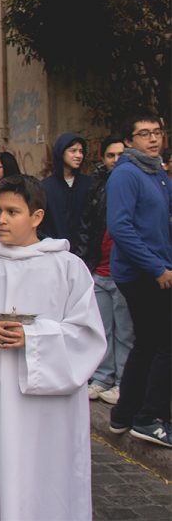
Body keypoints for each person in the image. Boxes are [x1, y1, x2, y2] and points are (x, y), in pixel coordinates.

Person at [0, 174, 105, 520]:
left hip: (51, 411)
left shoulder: (67, 268)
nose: (1, 219)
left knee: (50, 478)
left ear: (37, 217)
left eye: (13, 211)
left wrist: (35, 337)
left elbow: (87, 335)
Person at [106, 114, 172, 447]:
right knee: (164, 343)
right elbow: (121, 228)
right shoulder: (127, 173)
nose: (153, 138)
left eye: (157, 132)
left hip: (157, 268)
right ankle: (150, 417)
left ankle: (125, 415)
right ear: (130, 141)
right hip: (141, 274)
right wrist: (157, 268)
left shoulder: (158, 172)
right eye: (144, 134)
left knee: (147, 342)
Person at [73, 135, 132, 405]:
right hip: (100, 268)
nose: (116, 160)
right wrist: (86, 262)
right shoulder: (97, 188)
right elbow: (87, 227)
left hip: (124, 271)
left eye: (121, 154)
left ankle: (123, 381)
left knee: (125, 332)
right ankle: (102, 377)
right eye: (111, 155)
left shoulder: (133, 184)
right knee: (102, 329)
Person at [40, 133, 93, 251]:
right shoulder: (45, 187)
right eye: (73, 151)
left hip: (85, 256)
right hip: (53, 253)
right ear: (61, 152)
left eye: (81, 151)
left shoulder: (89, 184)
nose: (78, 155)